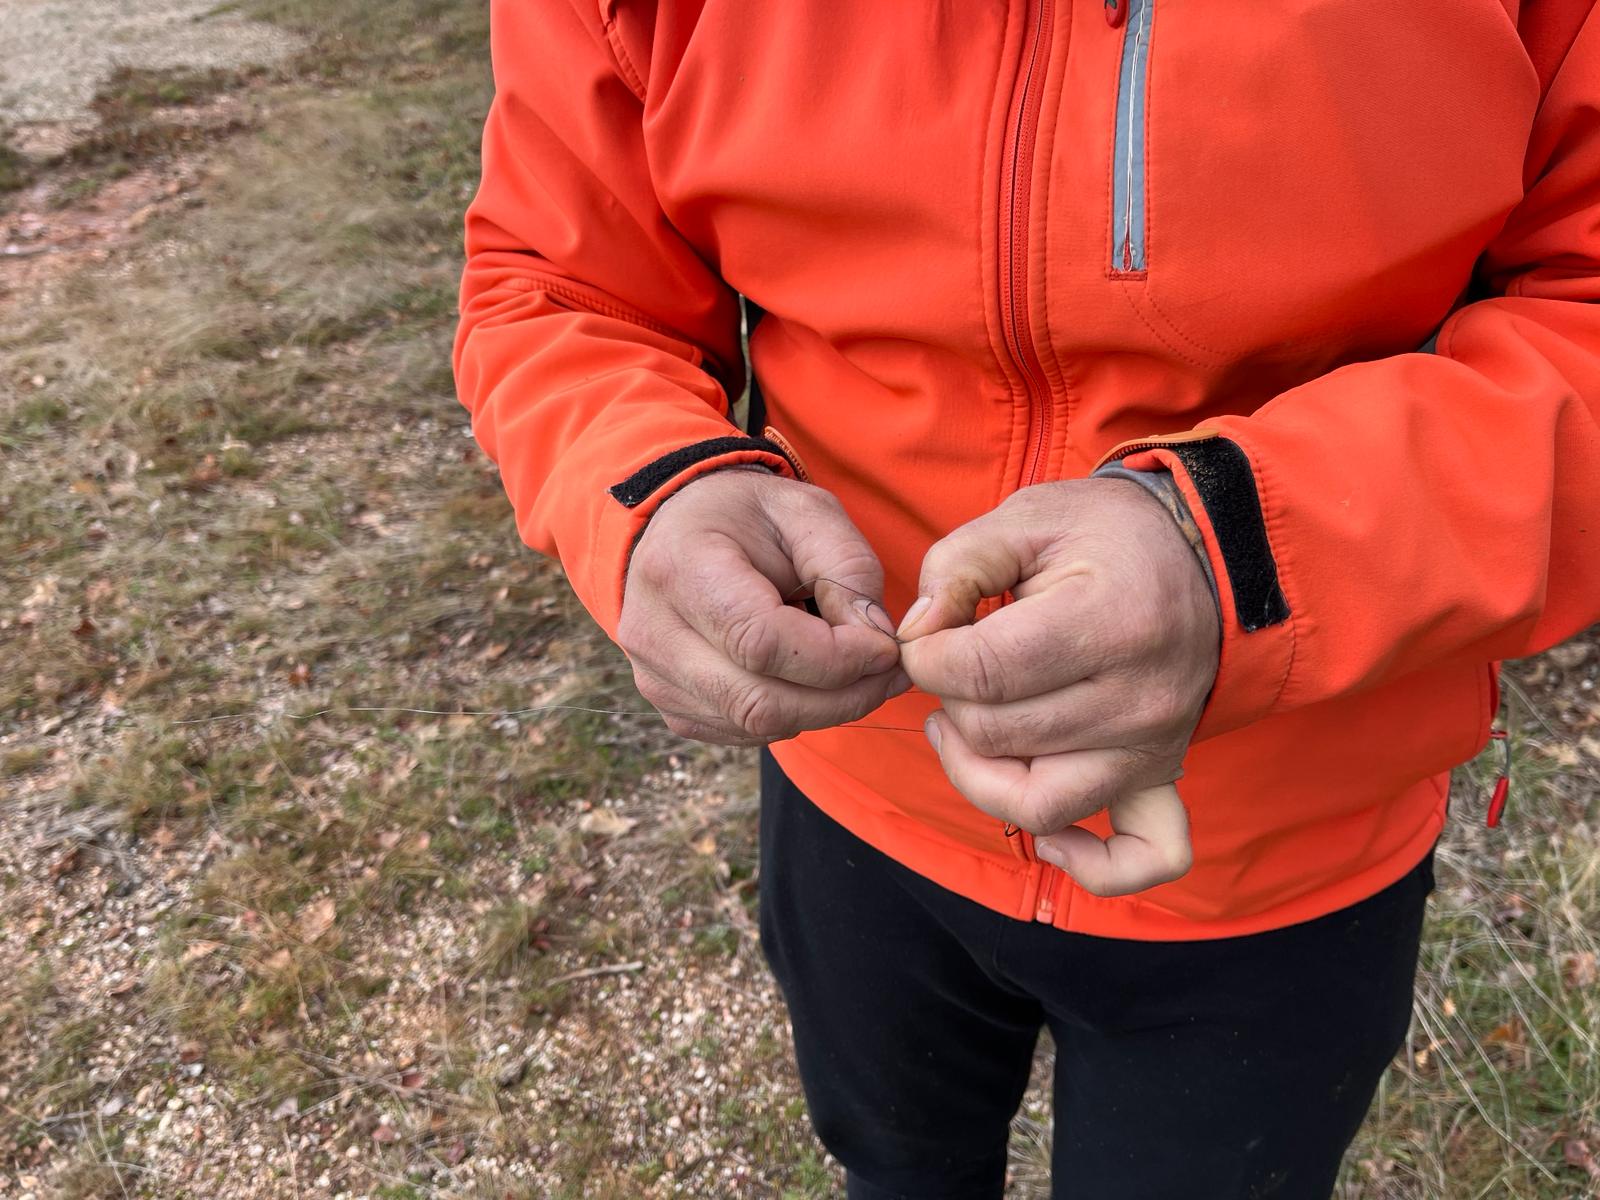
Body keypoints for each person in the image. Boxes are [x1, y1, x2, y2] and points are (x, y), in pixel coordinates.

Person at [453, 1, 1600, 1195]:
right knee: (890, 1167)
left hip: (1282, 844)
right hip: (853, 789)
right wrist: (647, 495)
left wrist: (1241, 557)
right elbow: (558, 284)